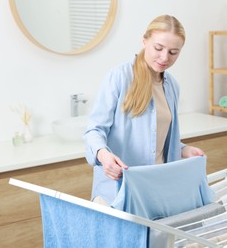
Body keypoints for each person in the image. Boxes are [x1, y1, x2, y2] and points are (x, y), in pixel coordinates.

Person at [83, 15, 205, 205]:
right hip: (117, 190)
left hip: (155, 188)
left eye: (173, 52)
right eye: (158, 48)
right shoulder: (119, 78)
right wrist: (103, 155)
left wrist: (184, 149)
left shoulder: (172, 86)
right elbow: (94, 131)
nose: (165, 57)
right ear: (144, 41)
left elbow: (155, 139)